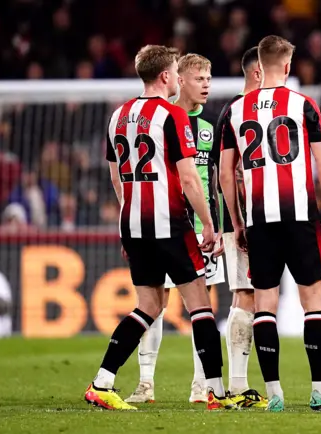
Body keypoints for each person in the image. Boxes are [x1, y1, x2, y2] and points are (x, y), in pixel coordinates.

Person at [84, 45, 235, 411]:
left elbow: (116, 174)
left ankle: (102, 382)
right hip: (169, 221)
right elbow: (189, 179)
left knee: (148, 305)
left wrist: (126, 219)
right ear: (167, 76)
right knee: (200, 305)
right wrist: (211, 225)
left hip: (133, 222)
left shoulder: (118, 115)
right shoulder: (172, 115)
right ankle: (215, 390)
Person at [123, 53, 259, 406]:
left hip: (201, 229)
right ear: (178, 80)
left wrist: (217, 223)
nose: (207, 85)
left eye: (209, 79)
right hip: (166, 224)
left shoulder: (213, 125)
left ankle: (202, 385)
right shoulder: (161, 119)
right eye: (200, 79)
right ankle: (145, 383)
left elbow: (215, 178)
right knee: (157, 302)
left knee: (202, 303)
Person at [219, 35, 321, 412]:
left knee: (265, 304)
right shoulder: (304, 105)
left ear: (258, 66)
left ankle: (274, 395)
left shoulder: (235, 110)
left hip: (259, 218)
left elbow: (226, 174)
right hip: (300, 214)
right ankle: (319, 390)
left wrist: (237, 222)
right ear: (287, 66)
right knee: (313, 301)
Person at [213, 46, 268, 408]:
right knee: (245, 294)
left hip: (258, 217)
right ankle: (236, 386)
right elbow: (224, 172)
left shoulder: (254, 112)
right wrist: (235, 220)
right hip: (244, 218)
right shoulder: (236, 111)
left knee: (249, 294)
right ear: (258, 73)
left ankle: (235, 384)